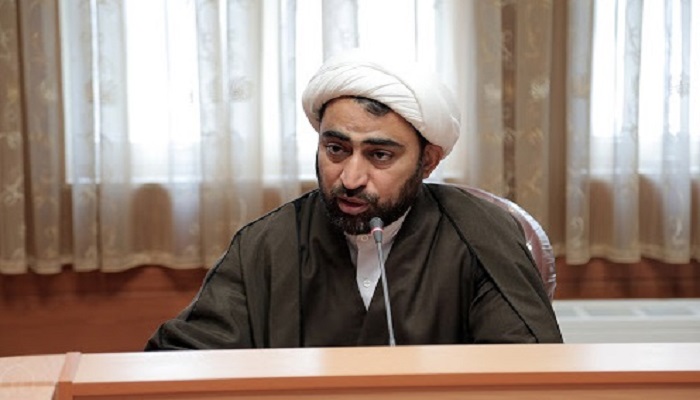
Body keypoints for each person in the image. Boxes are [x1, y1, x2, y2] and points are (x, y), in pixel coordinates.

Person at [145, 50, 562, 350]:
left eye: (380, 155)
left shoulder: (482, 234)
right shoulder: (265, 243)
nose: (350, 178)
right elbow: (184, 362)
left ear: (428, 161)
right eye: (336, 149)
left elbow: (524, 372)